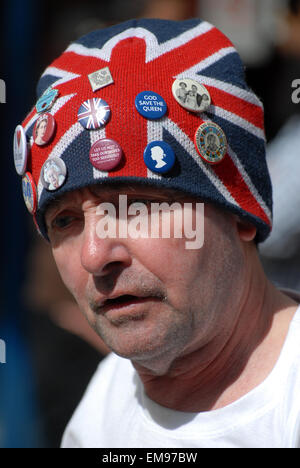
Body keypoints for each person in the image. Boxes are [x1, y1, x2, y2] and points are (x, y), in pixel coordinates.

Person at [15, 18, 300, 448]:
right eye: (65, 221)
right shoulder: (105, 398)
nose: (95, 255)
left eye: (138, 206)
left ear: (241, 213)